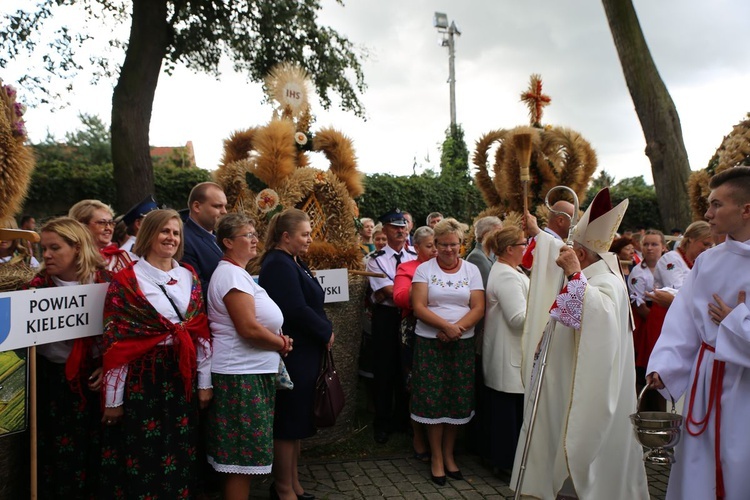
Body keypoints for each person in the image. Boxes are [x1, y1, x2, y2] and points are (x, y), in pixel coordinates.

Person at [511, 188, 648, 499]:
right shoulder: (595, 277)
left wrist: (574, 273)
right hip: (565, 372)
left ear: (583, 255)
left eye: (572, 249)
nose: (565, 253)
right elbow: (567, 315)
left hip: (587, 385)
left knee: (578, 450)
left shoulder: (604, 281)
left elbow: (597, 323)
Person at [647, 166, 750, 499]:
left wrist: (737, 323)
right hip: (708, 382)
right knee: (700, 466)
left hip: (744, 385)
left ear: (746, 209)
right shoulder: (707, 262)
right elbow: (683, 320)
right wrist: (665, 364)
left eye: (717, 204)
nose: (708, 213)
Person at [100, 209, 212, 498]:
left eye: (176, 232)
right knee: (143, 449)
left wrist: (205, 383)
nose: (171, 237)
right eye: (164, 231)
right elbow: (118, 342)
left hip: (182, 373)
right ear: (149, 234)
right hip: (143, 377)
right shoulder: (125, 281)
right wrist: (113, 401)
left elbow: (200, 333)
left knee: (182, 447)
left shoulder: (189, 275)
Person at [207, 213, 293, 500]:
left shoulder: (237, 272)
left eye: (255, 233)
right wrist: (279, 342)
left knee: (244, 455)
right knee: (239, 458)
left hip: (249, 371)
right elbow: (247, 328)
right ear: (228, 242)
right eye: (247, 235)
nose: (255, 239)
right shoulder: (230, 274)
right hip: (238, 373)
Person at [25, 217, 112, 498]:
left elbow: (124, 333)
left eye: (54, 248)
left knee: (100, 455)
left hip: (99, 383)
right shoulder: (34, 291)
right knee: (60, 457)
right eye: (44, 250)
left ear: (77, 248)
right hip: (54, 385)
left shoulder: (108, 284)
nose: (46, 255)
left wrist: (108, 366)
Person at [258, 208, 333, 500]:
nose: (309, 239)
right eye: (304, 234)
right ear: (286, 236)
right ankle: (283, 487)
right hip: (295, 352)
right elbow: (295, 308)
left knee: (299, 421)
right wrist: (325, 331)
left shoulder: (293, 260)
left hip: (306, 351)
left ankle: (294, 483)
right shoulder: (278, 264)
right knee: (288, 423)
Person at [411, 218, 485, 486]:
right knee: (433, 398)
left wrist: (458, 328)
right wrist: (445, 327)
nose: (448, 249)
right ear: (436, 245)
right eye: (443, 245)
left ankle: (449, 453)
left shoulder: (471, 270)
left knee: (457, 397)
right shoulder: (424, 270)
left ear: (461, 245)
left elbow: (478, 306)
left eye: (454, 244)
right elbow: (418, 306)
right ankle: (436, 457)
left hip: (461, 343)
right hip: (431, 342)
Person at [366, 208, 417, 444]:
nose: (401, 230)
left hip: (409, 316)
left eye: (403, 226)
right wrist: (415, 295)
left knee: (405, 367)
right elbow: (388, 293)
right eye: (395, 227)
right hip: (386, 318)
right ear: (384, 229)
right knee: (384, 369)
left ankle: (402, 419)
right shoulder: (374, 260)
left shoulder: (415, 255)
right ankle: (382, 422)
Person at [482, 225, 529, 472]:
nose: (527, 247)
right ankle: (505, 465)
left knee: (508, 414)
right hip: (508, 357)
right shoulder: (506, 275)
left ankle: (505, 461)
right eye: (523, 244)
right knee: (506, 417)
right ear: (510, 249)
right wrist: (549, 310)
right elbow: (518, 318)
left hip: (509, 356)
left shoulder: (509, 270)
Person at [392, 225, 437, 462]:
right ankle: (418, 435)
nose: (435, 250)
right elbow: (399, 297)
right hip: (414, 330)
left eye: (436, 245)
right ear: (416, 247)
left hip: (441, 329)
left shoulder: (448, 266)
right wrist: (424, 291)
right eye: (429, 246)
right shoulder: (408, 267)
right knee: (416, 382)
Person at [628, 229, 667, 399]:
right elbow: (639, 305)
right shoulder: (637, 272)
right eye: (646, 244)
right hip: (647, 321)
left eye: (654, 244)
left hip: (664, 317)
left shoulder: (669, 268)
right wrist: (656, 323)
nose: (650, 248)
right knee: (643, 364)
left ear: (664, 247)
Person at [182, 181, 228, 291]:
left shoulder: (220, 236)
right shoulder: (184, 240)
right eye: (218, 206)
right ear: (197, 206)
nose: (224, 211)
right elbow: (197, 287)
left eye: (225, 206)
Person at [68, 199, 133, 272]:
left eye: (111, 223)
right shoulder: (68, 258)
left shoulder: (119, 257)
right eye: (102, 223)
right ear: (82, 225)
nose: (108, 228)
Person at [521, 199, 575, 269]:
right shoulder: (538, 242)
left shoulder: (539, 239)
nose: (576, 225)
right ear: (560, 221)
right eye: (574, 221)